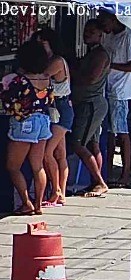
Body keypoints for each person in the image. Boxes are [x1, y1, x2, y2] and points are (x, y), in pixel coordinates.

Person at [3, 41, 54, 216]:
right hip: (43, 122)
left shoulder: (20, 81)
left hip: (25, 122)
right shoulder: (47, 78)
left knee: (13, 166)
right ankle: (39, 205)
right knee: (37, 166)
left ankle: (26, 203)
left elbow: (9, 101)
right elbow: (50, 100)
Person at [96, 11, 131, 187]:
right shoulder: (108, 36)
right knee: (109, 133)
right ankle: (107, 171)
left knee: (122, 133)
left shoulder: (128, 37)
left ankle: (125, 174)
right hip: (107, 87)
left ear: (113, 20)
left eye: (104, 23)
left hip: (120, 91)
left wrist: (110, 66)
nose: (103, 27)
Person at [70, 20, 111, 198]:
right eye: (86, 31)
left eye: (92, 32)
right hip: (86, 102)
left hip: (91, 104)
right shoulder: (91, 53)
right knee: (93, 144)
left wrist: (72, 74)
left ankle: (100, 182)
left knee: (77, 144)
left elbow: (91, 78)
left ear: (100, 35)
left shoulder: (100, 55)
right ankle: (96, 182)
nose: (87, 34)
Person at [32, 28, 72, 208]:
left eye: (43, 42)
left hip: (60, 109)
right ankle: (61, 193)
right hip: (58, 108)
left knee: (47, 153)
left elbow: (42, 77)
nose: (40, 46)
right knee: (60, 153)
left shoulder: (56, 62)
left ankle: (56, 190)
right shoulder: (51, 60)